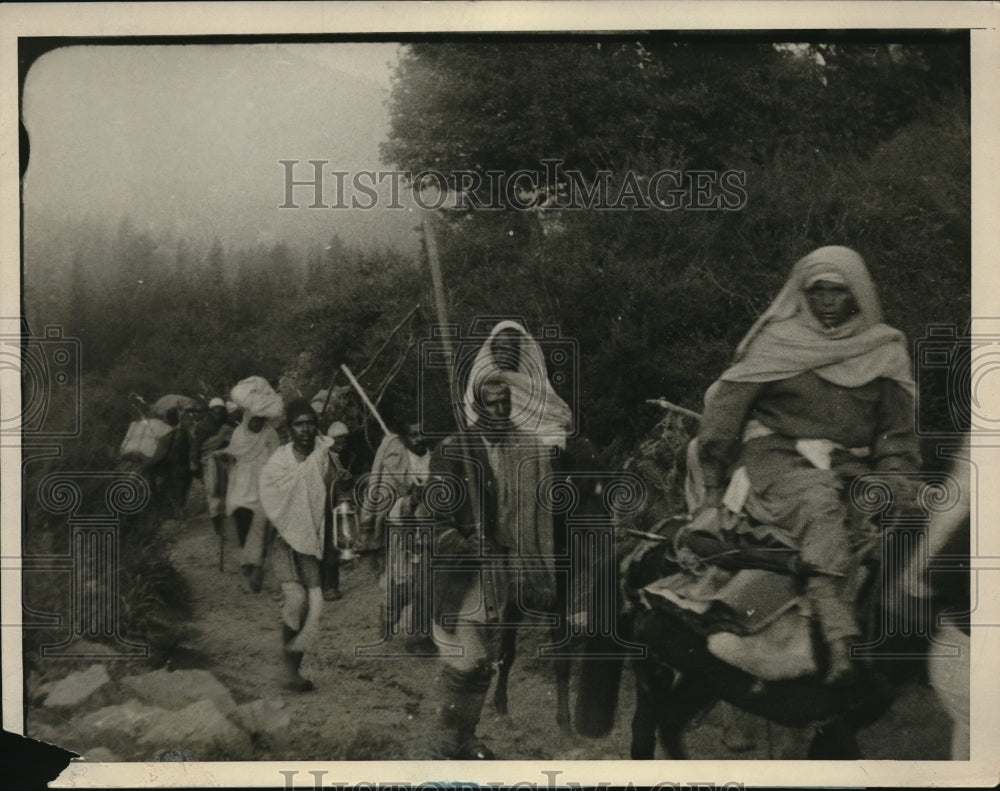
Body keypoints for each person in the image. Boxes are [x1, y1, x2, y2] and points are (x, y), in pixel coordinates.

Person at [694, 245, 920, 686]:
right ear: (804, 294)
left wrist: (896, 479)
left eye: (837, 292)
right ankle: (839, 639)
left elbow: (897, 435)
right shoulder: (777, 342)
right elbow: (723, 417)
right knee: (820, 508)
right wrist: (711, 481)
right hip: (778, 462)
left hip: (851, 467)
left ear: (858, 294)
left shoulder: (885, 348)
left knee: (920, 515)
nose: (827, 301)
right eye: (817, 292)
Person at [424, 374, 556, 759]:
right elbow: (435, 521)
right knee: (466, 660)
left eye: (505, 403)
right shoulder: (452, 451)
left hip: (498, 575)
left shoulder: (520, 449)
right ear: (477, 408)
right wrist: (466, 545)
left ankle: (463, 736)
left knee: (483, 664)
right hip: (458, 577)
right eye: (491, 403)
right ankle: (448, 740)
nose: (499, 410)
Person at [258, 400, 334, 692]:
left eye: (310, 423)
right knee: (296, 600)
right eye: (299, 424)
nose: (305, 429)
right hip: (283, 540)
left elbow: (328, 494)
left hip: (312, 539)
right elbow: (270, 502)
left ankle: (293, 668)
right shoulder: (279, 461)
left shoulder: (324, 456)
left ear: (316, 426)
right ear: (289, 428)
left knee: (314, 607)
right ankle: (287, 669)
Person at [359, 416, 432, 637]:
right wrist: (408, 502)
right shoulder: (395, 460)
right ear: (403, 438)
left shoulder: (434, 459)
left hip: (428, 531)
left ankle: (421, 635)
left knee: (426, 580)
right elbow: (380, 493)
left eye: (422, 433)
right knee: (402, 582)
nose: (419, 439)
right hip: (401, 530)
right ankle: (389, 613)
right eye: (413, 434)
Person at [462, 320, 572, 450]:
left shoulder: (537, 385)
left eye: (505, 348)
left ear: (519, 349)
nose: (500, 354)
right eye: (495, 349)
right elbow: (476, 423)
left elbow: (558, 417)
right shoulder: (485, 386)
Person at [222, 411, 279, 592]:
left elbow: (277, 457)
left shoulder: (270, 434)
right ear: (247, 419)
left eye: (260, 420)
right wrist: (223, 456)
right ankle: (249, 560)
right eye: (253, 420)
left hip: (263, 483)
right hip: (242, 484)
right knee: (242, 521)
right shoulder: (239, 433)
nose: (257, 424)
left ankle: (256, 564)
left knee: (261, 526)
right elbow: (232, 454)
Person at [191, 397, 234, 535]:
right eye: (215, 410)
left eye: (220, 410)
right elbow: (196, 446)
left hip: (228, 459)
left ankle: (233, 519)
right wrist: (194, 463)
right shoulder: (203, 426)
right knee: (213, 492)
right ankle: (218, 526)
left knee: (233, 488)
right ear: (211, 411)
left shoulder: (228, 424)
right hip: (210, 462)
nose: (218, 413)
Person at [321, 421, 353, 602]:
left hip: (332, 509)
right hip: (322, 509)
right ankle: (326, 586)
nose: (343, 444)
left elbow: (341, 485)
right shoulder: (324, 457)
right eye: (339, 440)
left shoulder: (336, 458)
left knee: (332, 548)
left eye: (345, 440)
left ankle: (331, 586)